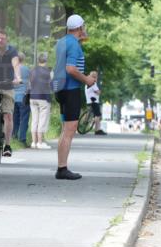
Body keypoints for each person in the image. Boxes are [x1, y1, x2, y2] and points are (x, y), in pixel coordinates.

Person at [52, 14, 96, 179]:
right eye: (83, 26)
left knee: (65, 130)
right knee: (70, 131)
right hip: (71, 90)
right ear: (79, 27)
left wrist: (81, 39)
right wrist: (87, 80)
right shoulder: (74, 45)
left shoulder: (62, 42)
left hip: (60, 89)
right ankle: (62, 169)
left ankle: (61, 167)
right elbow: (70, 69)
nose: (85, 29)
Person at [28, 52, 53, 149]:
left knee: (34, 119)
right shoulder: (49, 71)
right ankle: (40, 142)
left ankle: (33, 142)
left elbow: (30, 83)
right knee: (42, 120)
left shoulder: (32, 70)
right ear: (46, 60)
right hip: (44, 97)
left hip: (32, 96)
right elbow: (51, 85)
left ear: (38, 60)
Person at [13, 52, 31, 145]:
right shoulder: (27, 69)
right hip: (23, 97)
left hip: (12, 97)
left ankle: (13, 136)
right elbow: (30, 83)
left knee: (14, 119)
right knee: (24, 119)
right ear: (23, 59)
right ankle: (22, 139)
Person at [86, 70, 106, 135]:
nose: (96, 78)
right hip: (94, 102)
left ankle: (97, 129)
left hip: (89, 101)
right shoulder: (93, 84)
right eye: (95, 77)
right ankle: (97, 129)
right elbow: (98, 92)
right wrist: (98, 91)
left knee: (96, 115)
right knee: (98, 115)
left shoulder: (87, 84)